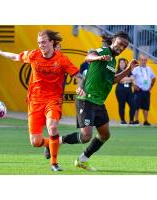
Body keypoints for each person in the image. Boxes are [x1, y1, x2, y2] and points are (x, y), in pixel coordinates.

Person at [0, 30, 84, 171]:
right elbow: (16, 57)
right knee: (35, 142)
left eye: (44, 42)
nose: (41, 45)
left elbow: (79, 76)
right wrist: (0, 52)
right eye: (39, 42)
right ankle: (49, 143)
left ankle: (54, 163)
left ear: (52, 42)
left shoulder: (62, 59)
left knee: (52, 127)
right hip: (35, 101)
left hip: (53, 99)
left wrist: (79, 87)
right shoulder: (34, 55)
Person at [59, 31, 139, 171]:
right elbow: (88, 57)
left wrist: (128, 69)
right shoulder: (104, 50)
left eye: (125, 46)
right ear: (113, 41)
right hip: (87, 99)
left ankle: (82, 160)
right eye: (120, 43)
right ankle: (57, 141)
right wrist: (99, 58)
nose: (121, 47)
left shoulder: (113, 60)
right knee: (86, 136)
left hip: (99, 102)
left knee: (105, 135)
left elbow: (112, 80)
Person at [132, 54, 156, 126]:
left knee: (146, 106)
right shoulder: (136, 69)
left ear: (146, 61)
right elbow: (131, 77)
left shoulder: (149, 69)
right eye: (142, 60)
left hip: (146, 91)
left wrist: (151, 86)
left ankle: (146, 121)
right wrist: (134, 85)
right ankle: (136, 120)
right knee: (136, 106)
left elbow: (154, 78)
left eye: (145, 60)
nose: (143, 61)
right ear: (139, 60)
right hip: (138, 90)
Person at [115, 58, 136, 125]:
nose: (122, 64)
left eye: (123, 63)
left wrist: (126, 79)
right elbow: (120, 80)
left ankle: (131, 120)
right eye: (120, 63)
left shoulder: (128, 71)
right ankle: (122, 120)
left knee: (133, 105)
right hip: (120, 90)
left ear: (125, 64)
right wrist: (129, 79)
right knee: (122, 105)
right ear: (119, 64)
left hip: (129, 90)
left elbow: (133, 78)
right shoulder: (117, 72)